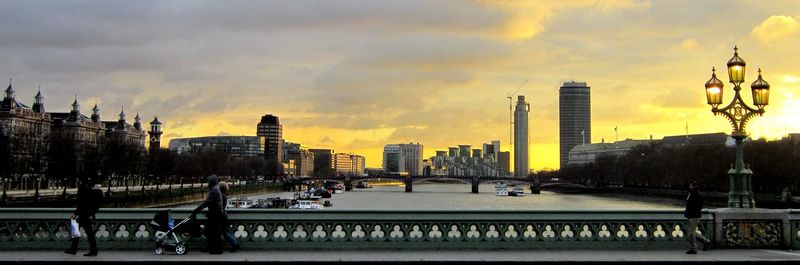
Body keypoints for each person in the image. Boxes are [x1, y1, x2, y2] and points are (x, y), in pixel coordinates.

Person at [65, 180, 104, 256]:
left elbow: (81, 203)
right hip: (87, 214)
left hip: (83, 214)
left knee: (80, 231)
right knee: (88, 233)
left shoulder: (82, 188)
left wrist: (75, 213)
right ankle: (91, 250)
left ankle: (75, 249)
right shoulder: (89, 189)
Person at [192, 175, 224, 255]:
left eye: (208, 181)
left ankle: (216, 249)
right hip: (215, 213)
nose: (207, 183)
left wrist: (197, 209)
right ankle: (212, 248)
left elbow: (208, 202)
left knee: (214, 232)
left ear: (212, 182)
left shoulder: (214, 190)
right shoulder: (215, 189)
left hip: (215, 214)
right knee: (212, 231)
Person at [684, 181, 710, 254]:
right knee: (693, 232)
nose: (689, 187)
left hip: (694, 216)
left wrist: (693, 212)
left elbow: (699, 205)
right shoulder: (691, 194)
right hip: (691, 216)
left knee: (691, 233)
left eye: (690, 186)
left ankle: (693, 249)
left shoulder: (696, 194)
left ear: (693, 186)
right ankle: (705, 241)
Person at [219, 181, 240, 252]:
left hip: (221, 216)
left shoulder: (221, 195)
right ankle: (235, 243)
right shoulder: (224, 195)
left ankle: (235, 244)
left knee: (224, 232)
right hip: (224, 215)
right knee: (227, 231)